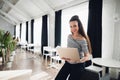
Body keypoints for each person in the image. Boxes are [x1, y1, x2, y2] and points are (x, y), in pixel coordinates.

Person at [55, 15, 92, 80]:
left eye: (74, 26)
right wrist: (65, 56)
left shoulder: (82, 39)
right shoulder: (69, 37)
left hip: (78, 65)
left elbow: (87, 56)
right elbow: (69, 49)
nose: (73, 28)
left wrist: (79, 60)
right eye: (71, 26)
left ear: (79, 26)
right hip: (68, 63)